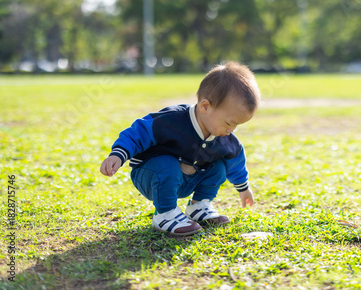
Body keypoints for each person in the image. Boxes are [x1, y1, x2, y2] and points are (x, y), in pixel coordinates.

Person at [99, 61, 260, 236]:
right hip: (151, 175)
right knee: (167, 164)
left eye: (237, 125)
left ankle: (199, 206)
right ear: (205, 106)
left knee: (219, 166)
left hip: (187, 179)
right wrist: (118, 155)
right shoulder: (172, 121)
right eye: (229, 123)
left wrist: (243, 188)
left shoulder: (224, 138)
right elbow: (138, 132)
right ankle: (165, 214)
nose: (231, 130)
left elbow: (235, 161)